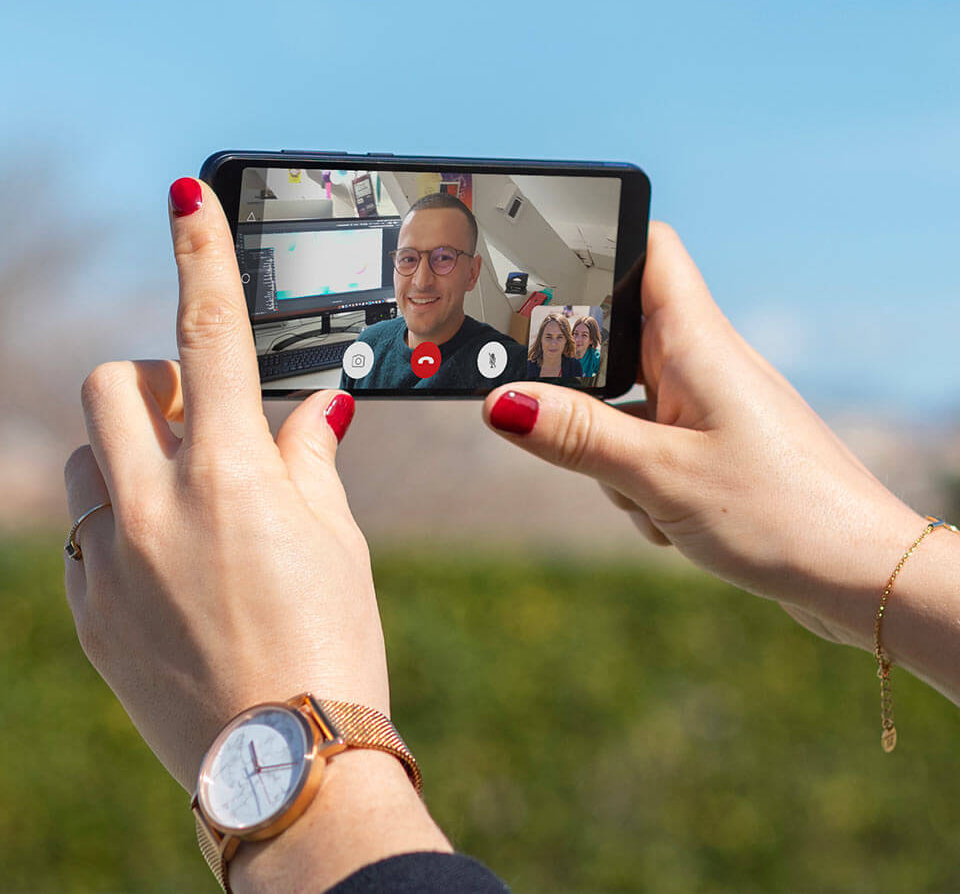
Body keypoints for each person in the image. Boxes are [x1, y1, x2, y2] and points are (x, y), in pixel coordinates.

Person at [64, 180, 960, 893]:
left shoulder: (507, 344)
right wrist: (880, 562)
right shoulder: (360, 350)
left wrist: (294, 763)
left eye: (444, 258)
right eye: (407, 257)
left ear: (474, 269)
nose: (420, 277)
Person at [339, 192, 526, 390]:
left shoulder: (511, 370)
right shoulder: (367, 347)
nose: (421, 282)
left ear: (472, 273)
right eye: (408, 259)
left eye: (444, 258)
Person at [526, 312, 582, 380]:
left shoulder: (574, 366)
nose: (553, 343)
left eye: (559, 337)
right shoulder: (527, 367)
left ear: (566, 340)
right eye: (548, 337)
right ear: (541, 339)